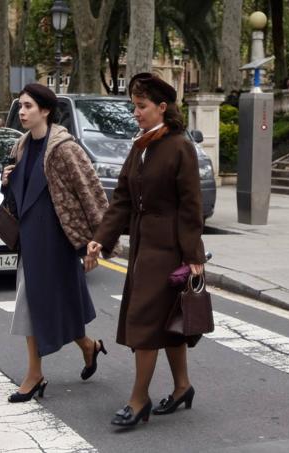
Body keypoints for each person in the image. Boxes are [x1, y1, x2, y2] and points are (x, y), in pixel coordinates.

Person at [88, 73, 207, 426]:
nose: (135, 113)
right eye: (134, 106)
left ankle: (139, 400)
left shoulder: (179, 146)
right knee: (169, 322)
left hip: (168, 247)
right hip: (143, 244)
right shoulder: (141, 145)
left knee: (143, 322)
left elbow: (191, 206)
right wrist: (101, 237)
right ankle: (182, 386)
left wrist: (194, 257)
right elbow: (122, 198)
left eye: (141, 106)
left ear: (162, 107)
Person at [0, 83, 108, 403]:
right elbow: (18, 198)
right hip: (30, 239)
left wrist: (98, 240)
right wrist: (9, 180)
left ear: (45, 111)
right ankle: (52, 365)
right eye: (20, 106)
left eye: (29, 106)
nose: (22, 111)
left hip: (57, 241)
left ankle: (46, 370)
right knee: (35, 303)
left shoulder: (64, 147)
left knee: (54, 304)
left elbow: (91, 192)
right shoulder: (21, 146)